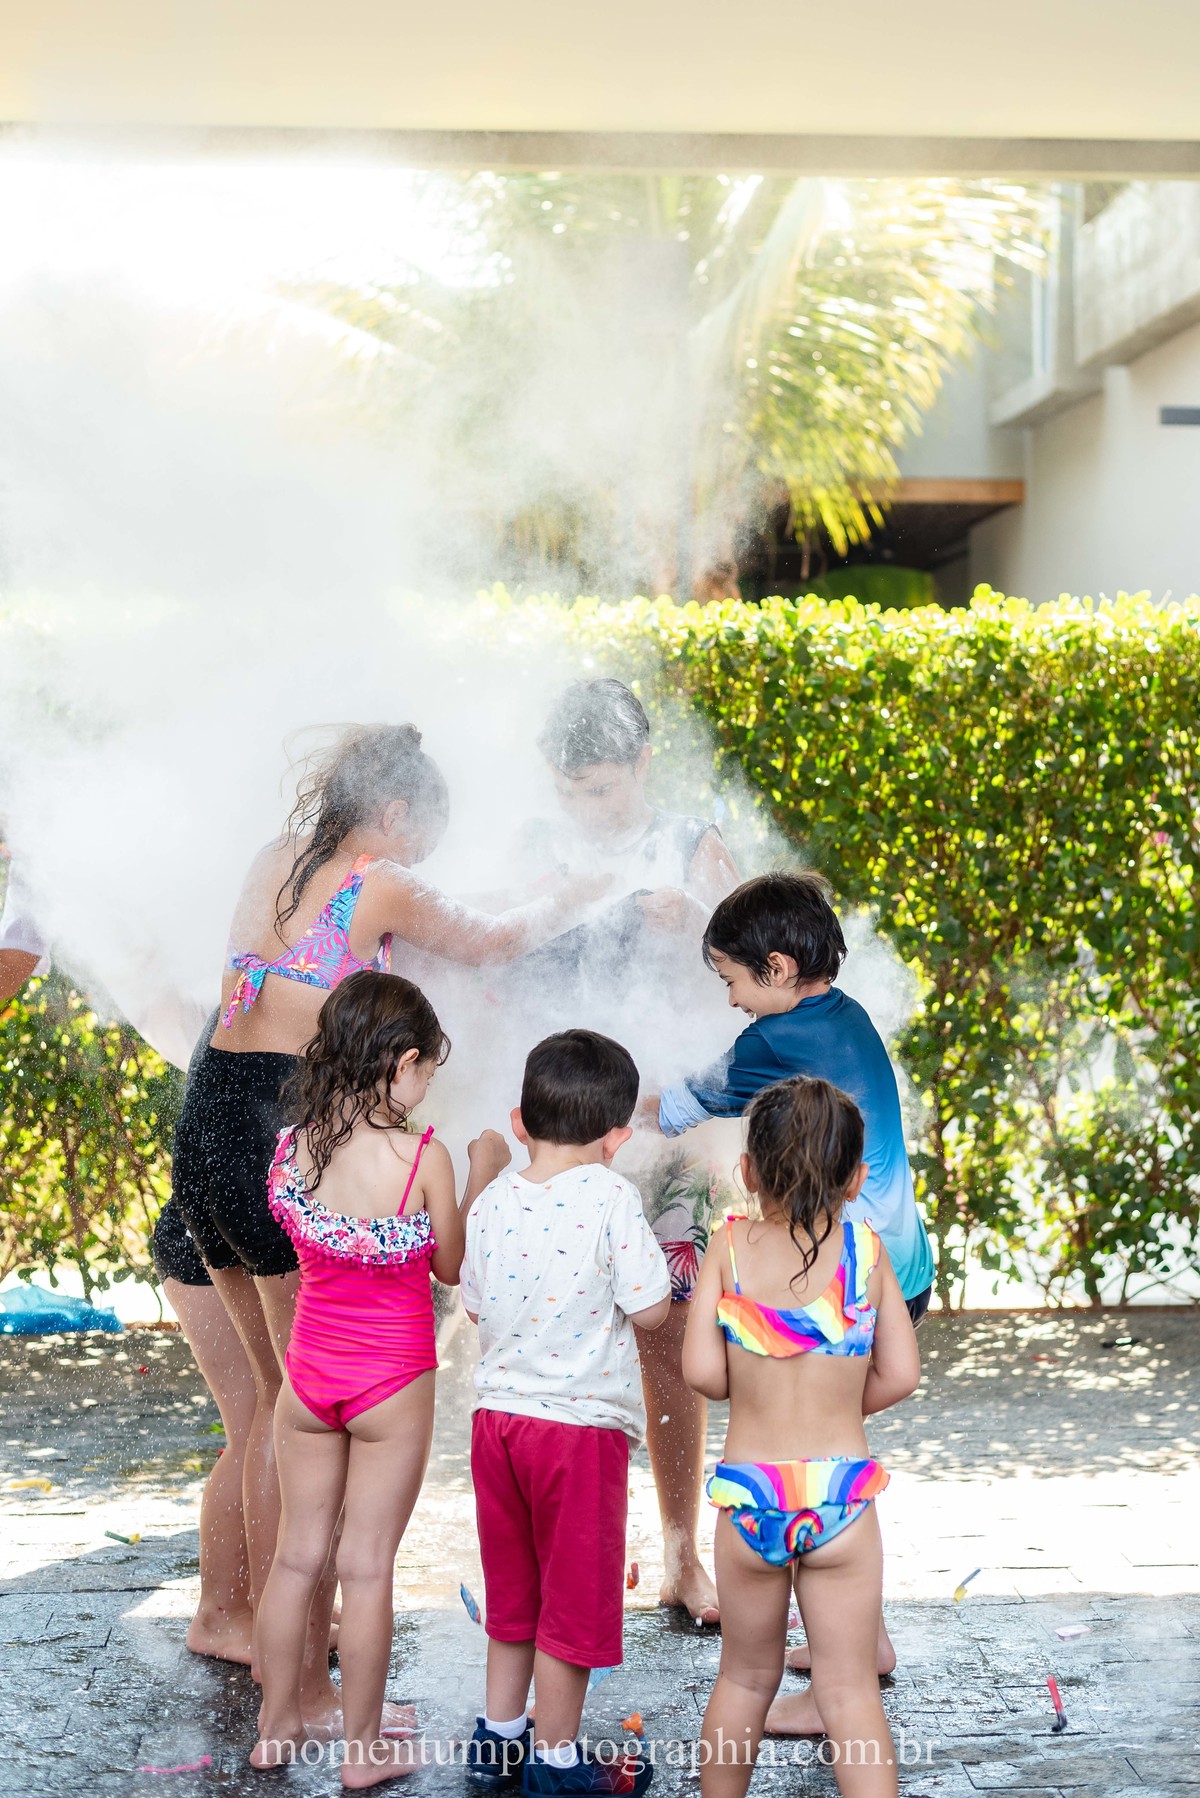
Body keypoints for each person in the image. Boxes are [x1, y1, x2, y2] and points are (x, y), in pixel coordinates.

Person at [174, 723, 608, 1737]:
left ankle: (226, 1612)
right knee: (299, 1417)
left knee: (266, 1408)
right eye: (425, 836)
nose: (421, 862)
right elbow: (493, 936)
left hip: (208, 1120)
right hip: (279, 1122)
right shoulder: (379, 876)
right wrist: (573, 895)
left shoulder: (275, 858)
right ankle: (307, 1690)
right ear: (397, 812)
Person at [653, 871, 935, 1732]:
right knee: (835, 1453)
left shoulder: (768, 1046)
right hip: (893, 1268)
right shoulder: (842, 1015)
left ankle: (828, 1688)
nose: (732, 1001)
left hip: (830, 1282)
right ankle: (863, 1639)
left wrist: (610, 1107)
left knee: (800, 1454)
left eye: (731, 980)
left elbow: (685, 1102)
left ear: (777, 968)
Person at [250, 970, 509, 1785]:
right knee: (364, 1568)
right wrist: (484, 1175)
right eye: (428, 1067)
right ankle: (361, 1754)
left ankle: (275, 1726)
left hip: (309, 1379)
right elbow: (452, 1266)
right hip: (390, 1382)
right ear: (399, 1063)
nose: (429, 1082)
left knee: (296, 1560)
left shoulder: (293, 1147)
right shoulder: (422, 1157)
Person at [518, 679, 740, 1626]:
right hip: (561, 1129)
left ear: (644, 766)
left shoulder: (692, 845)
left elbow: (756, 969)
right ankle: (564, 1554)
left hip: (666, 1131)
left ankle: (683, 1556)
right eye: (572, 791)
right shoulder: (537, 848)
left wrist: (696, 927)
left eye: (603, 790)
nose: (588, 809)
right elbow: (495, 960)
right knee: (543, 1342)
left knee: (666, 1343)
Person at [682, 1077, 921, 1798]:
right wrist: (843, 1402)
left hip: (751, 1493)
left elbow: (701, 1373)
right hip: (842, 1494)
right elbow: (902, 1374)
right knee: (850, 1692)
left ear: (748, 1172)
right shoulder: (868, 1253)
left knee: (745, 1677)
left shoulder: (727, 1249)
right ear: (856, 1179)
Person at [460, 1029, 671, 1797]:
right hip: (578, 1435)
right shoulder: (613, 1196)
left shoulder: (489, 1204)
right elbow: (649, 1311)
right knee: (572, 1607)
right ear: (617, 1138)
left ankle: (500, 1740)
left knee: (513, 1594)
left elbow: (478, 1309)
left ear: (519, 1121)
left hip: (497, 1428)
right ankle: (556, 1767)